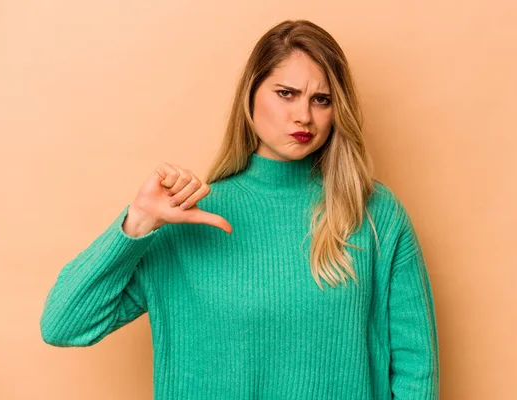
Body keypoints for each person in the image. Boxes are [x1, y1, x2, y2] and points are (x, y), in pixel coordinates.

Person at [40, 19, 440, 399]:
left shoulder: (373, 213)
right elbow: (63, 324)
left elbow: (415, 366)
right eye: (286, 93)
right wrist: (139, 221)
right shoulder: (188, 216)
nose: (303, 115)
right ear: (250, 97)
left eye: (322, 100)